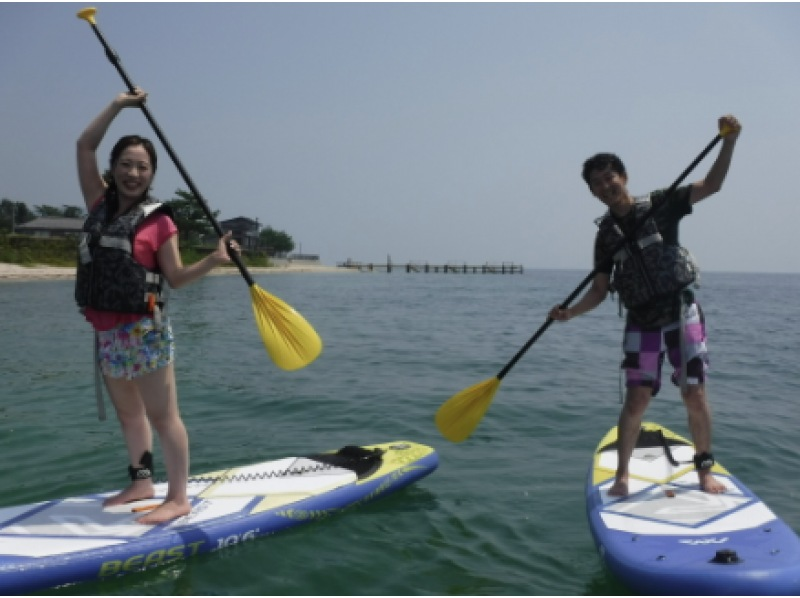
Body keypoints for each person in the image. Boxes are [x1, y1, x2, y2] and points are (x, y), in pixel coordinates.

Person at [549, 115, 741, 497]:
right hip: (641, 321)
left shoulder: (661, 204)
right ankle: (622, 476)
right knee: (637, 398)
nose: (605, 186)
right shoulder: (605, 237)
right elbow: (600, 290)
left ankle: (704, 471)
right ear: (592, 192)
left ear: (624, 176)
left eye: (609, 177)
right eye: (597, 183)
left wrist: (729, 141)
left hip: (680, 312)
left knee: (694, 393)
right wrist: (569, 313)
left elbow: (713, 184)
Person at [76, 88, 241, 524]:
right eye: (126, 164)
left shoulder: (160, 221)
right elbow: (84, 144)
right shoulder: (98, 203)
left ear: (152, 175)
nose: (133, 172)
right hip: (108, 333)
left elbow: (176, 278)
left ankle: (179, 497)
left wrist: (213, 259)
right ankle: (142, 481)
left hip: (145, 333)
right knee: (129, 415)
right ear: (112, 169)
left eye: (142, 167)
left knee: (164, 417)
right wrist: (117, 104)